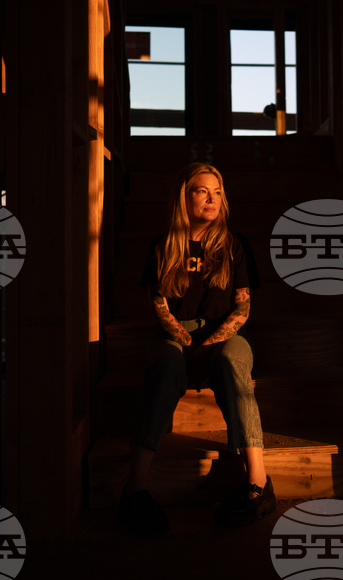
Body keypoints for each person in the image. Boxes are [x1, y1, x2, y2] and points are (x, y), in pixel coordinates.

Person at [118, 162, 274, 535]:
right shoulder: (163, 246)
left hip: (223, 334)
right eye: (202, 190)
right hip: (176, 335)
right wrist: (186, 342)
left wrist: (210, 342)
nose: (212, 198)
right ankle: (135, 489)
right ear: (183, 197)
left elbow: (242, 307)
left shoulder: (234, 244)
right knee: (166, 366)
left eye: (217, 192)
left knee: (234, 363)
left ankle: (258, 484)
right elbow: (158, 306)